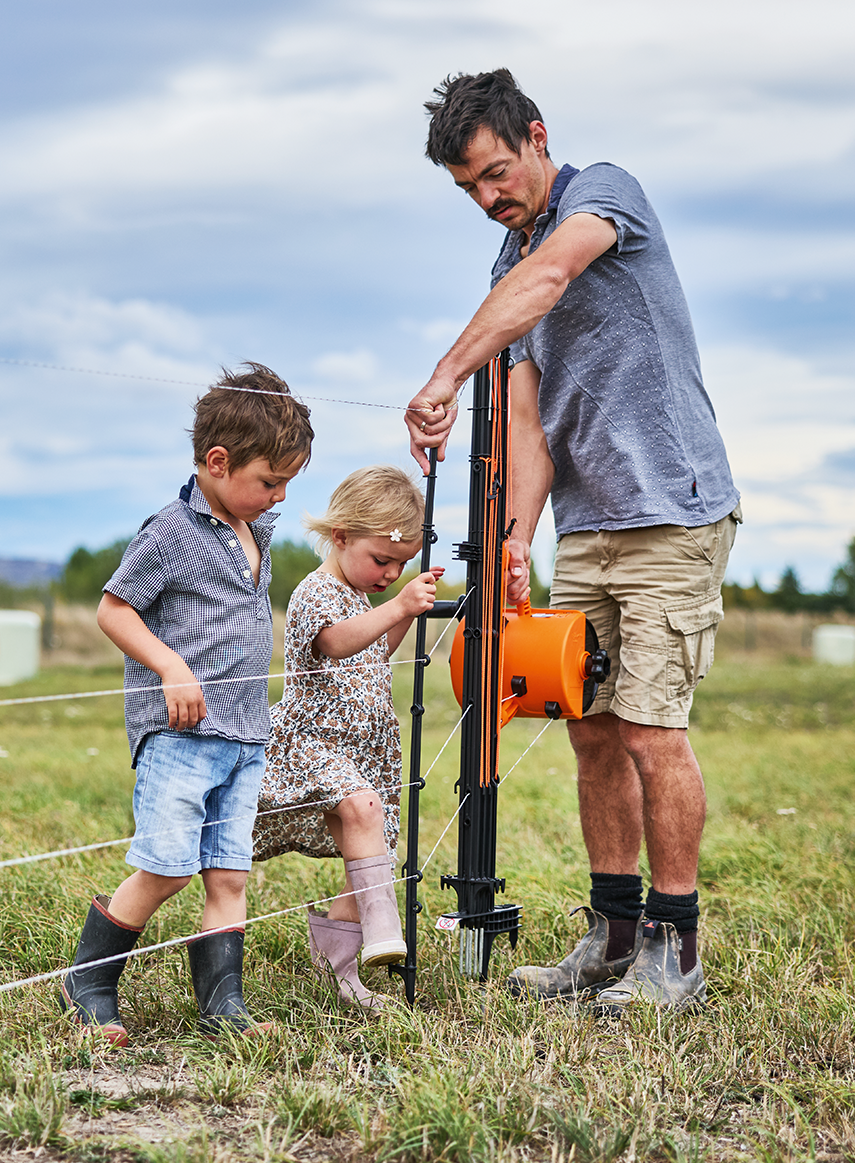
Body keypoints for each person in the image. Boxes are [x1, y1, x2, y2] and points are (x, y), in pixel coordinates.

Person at [405, 69, 741, 1012]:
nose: (488, 197)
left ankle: (676, 951)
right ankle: (613, 937)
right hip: (586, 527)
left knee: (650, 729)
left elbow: (551, 276)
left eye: (496, 173)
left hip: (672, 510)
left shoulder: (604, 194)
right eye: (469, 187)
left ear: (538, 137)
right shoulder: (504, 268)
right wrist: (515, 537)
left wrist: (443, 375)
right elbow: (529, 423)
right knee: (589, 729)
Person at [58, 363, 314, 1044]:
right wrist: (170, 666)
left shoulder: (255, 529)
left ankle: (222, 1008)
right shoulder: (170, 532)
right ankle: (88, 981)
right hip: (182, 735)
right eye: (270, 481)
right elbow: (115, 610)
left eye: (287, 483)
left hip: (246, 735)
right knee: (167, 869)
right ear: (218, 461)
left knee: (229, 876)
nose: (279, 496)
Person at [253, 466, 440, 1009]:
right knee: (363, 813)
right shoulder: (316, 591)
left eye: (401, 565)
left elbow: (375, 650)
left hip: (364, 747)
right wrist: (398, 605)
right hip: (317, 741)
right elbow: (336, 644)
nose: (390, 574)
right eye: (381, 560)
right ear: (340, 536)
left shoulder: (362, 598)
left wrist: (405, 612)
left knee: (369, 854)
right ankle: (386, 926)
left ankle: (341, 974)